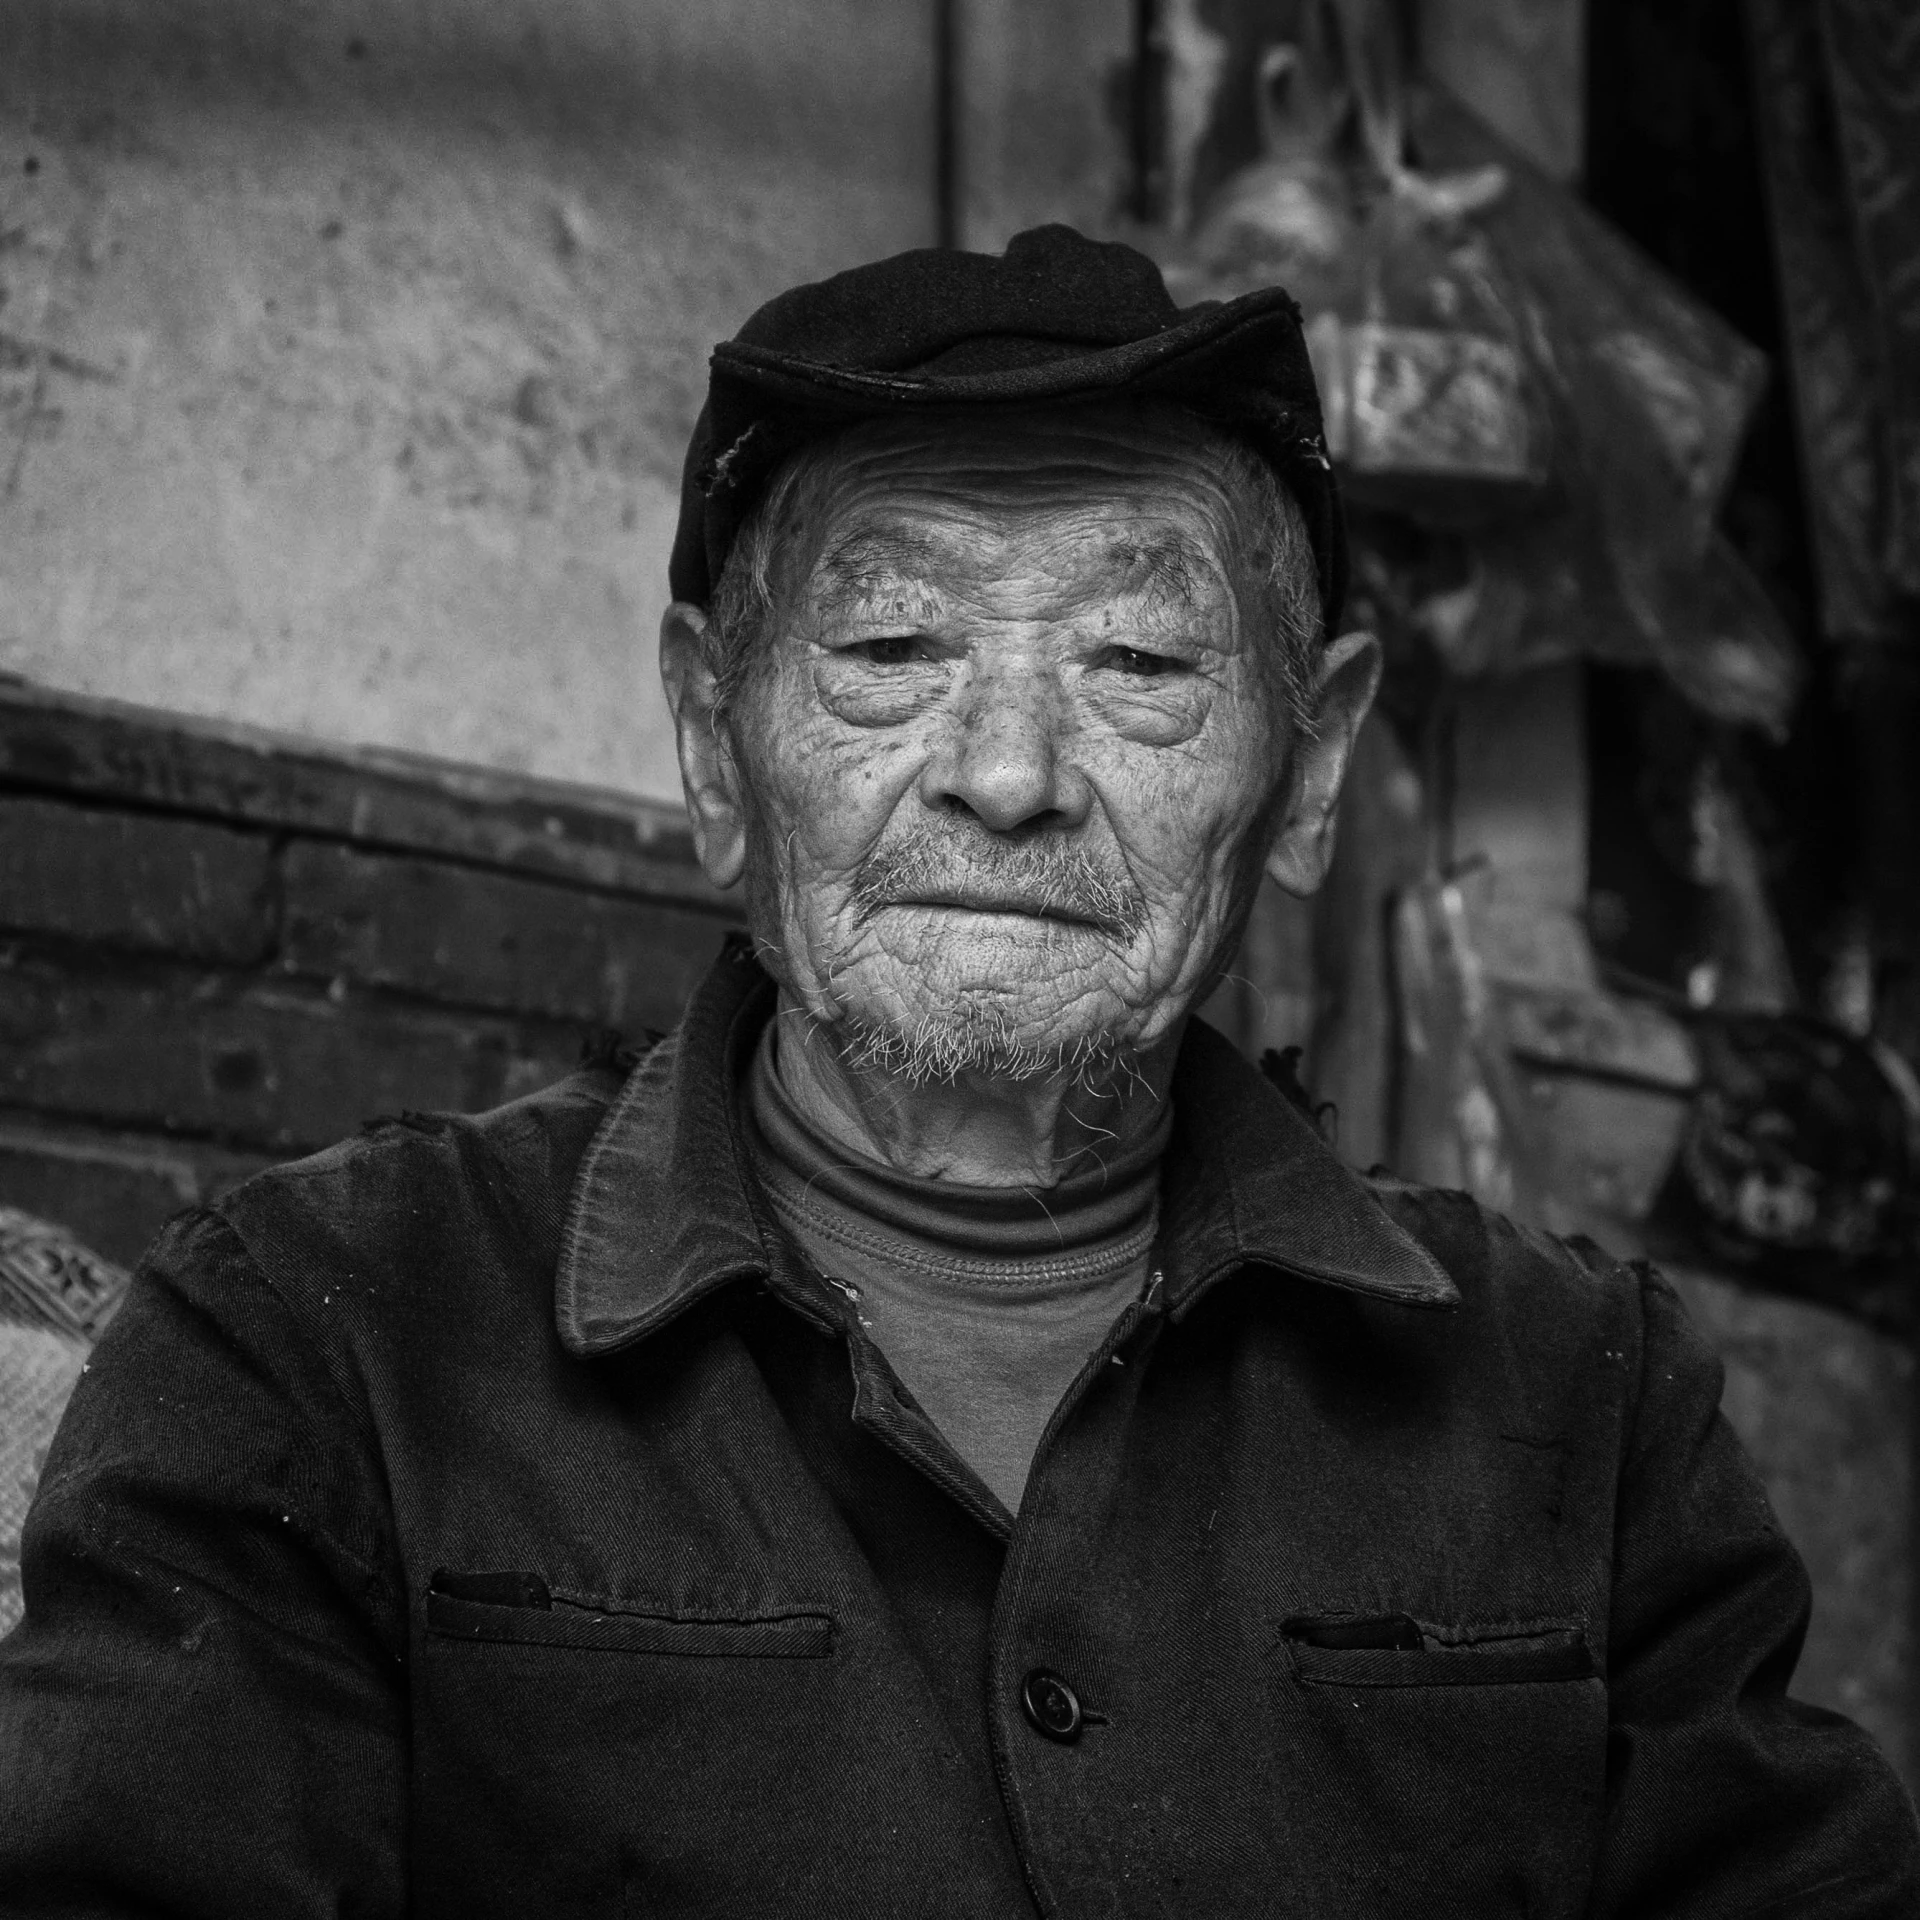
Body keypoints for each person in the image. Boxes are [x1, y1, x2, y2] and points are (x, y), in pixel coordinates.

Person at [0, 224, 1913, 1918]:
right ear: (710, 743)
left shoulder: (1587, 1406)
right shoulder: (323, 1342)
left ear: (1311, 766)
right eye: (892, 646)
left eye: (1142, 663)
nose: (1009, 773)